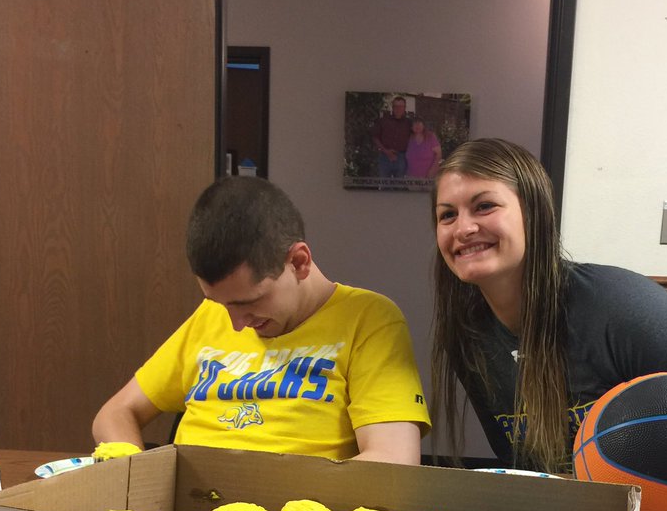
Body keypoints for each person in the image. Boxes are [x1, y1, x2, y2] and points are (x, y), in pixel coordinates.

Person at [430, 138, 667, 474]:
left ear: (534, 213)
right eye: (447, 215)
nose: (464, 228)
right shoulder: (469, 336)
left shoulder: (628, 309)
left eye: (484, 206)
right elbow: (523, 468)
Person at [93, 176, 431, 463]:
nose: (236, 324)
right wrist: (134, 476)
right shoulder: (216, 314)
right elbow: (114, 413)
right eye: (219, 303)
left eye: (249, 302)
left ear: (299, 262)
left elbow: (394, 460)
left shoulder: (369, 320)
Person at [371, 96, 411, 179]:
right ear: (392, 107)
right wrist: (385, 151)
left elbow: (417, 135)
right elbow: (375, 137)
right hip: (384, 156)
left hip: (401, 157)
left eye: (401, 106)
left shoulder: (409, 123)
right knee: (384, 185)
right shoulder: (383, 121)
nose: (398, 108)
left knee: (399, 186)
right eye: (396, 106)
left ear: (404, 108)